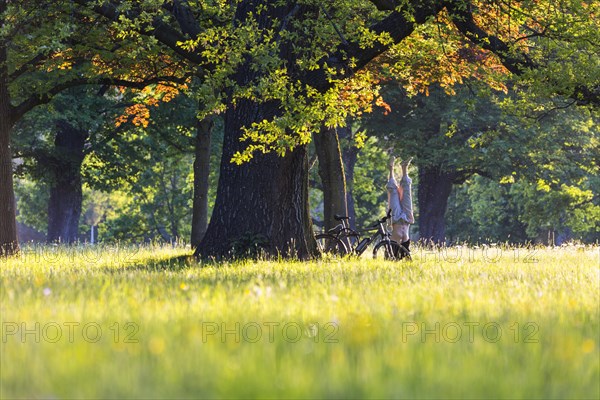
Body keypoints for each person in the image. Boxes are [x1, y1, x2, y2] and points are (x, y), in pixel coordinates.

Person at [387, 155, 414, 254]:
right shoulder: (405, 253)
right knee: (407, 192)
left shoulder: (392, 250)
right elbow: (408, 258)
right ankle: (404, 167)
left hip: (396, 218)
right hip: (406, 218)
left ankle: (390, 168)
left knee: (393, 191)